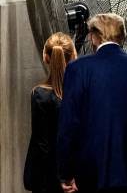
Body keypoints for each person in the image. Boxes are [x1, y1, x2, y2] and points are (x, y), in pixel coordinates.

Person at [57, 13, 127, 193]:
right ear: (123, 36)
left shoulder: (77, 69)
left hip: (91, 173)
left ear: (93, 37)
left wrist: (65, 172)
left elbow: (69, 124)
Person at [24, 32, 77, 193]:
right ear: (74, 57)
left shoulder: (40, 94)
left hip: (45, 179)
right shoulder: (80, 93)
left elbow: (43, 145)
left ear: (46, 57)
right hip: (74, 177)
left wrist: (57, 179)